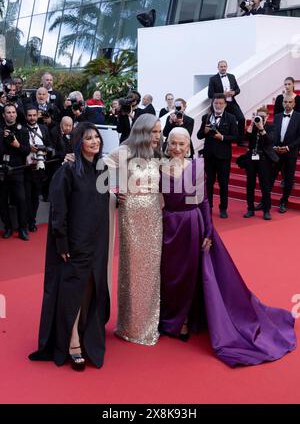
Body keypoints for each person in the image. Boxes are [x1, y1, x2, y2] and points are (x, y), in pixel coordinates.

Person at [159, 127, 296, 367]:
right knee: (171, 274)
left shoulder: (196, 167)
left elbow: (202, 201)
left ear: (189, 145)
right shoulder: (158, 168)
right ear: (167, 144)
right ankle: (171, 317)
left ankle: (185, 320)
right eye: (173, 143)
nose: (177, 149)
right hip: (169, 227)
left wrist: (209, 230)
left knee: (192, 273)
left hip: (192, 225)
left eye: (182, 144)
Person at [29, 123, 110, 370]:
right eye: (88, 138)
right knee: (73, 291)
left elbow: (101, 201)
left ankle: (86, 332)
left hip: (97, 241)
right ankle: (72, 339)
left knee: (89, 288)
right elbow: (59, 211)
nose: (95, 141)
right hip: (75, 242)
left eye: (97, 137)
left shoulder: (101, 167)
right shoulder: (66, 171)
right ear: (78, 142)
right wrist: (62, 242)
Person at [105, 114, 163, 345]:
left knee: (151, 269)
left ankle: (149, 324)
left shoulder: (157, 153)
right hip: (131, 214)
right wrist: (115, 189)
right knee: (132, 268)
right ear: (142, 131)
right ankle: (129, 326)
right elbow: (99, 168)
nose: (158, 136)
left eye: (159, 132)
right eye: (154, 132)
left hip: (154, 215)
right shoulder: (124, 151)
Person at [197, 94, 238, 218]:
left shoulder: (231, 118)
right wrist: (204, 131)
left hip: (224, 157)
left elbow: (236, 137)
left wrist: (223, 137)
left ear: (225, 104)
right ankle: (208, 206)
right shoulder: (206, 117)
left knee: (223, 183)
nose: (218, 105)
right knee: (208, 183)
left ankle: (223, 208)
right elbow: (199, 136)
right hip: (209, 155)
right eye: (216, 103)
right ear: (212, 104)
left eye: (221, 103)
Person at [0, 104, 30, 240]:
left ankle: (23, 229)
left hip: (17, 170)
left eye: (13, 112)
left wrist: (17, 144)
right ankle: (8, 228)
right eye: (8, 112)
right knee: (2, 201)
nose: (11, 114)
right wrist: (2, 138)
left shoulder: (23, 130)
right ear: (3, 115)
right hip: (2, 171)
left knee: (21, 200)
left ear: (16, 115)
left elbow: (26, 151)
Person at [242, 106, 278, 221]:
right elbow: (245, 139)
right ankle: (250, 209)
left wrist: (262, 128)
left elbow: (269, 142)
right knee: (250, 184)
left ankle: (266, 210)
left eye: (263, 116)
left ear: (267, 117)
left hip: (264, 159)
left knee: (265, 185)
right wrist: (252, 125)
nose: (260, 118)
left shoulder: (271, 127)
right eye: (259, 116)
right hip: (251, 158)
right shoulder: (253, 126)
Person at [24, 106, 52, 232]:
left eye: (34, 115)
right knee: (26, 197)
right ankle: (25, 222)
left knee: (35, 197)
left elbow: (50, 145)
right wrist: (29, 148)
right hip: (26, 168)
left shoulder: (44, 128)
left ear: (37, 116)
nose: (32, 118)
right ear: (26, 116)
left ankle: (32, 222)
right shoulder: (22, 129)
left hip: (40, 167)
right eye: (29, 115)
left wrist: (45, 150)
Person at [272, 95, 300, 213]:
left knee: (288, 179)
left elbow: (299, 137)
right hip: (277, 152)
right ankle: (264, 201)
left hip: (290, 153)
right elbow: (273, 134)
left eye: (290, 102)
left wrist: (288, 148)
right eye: (285, 102)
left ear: (294, 104)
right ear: (282, 103)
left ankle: (284, 201)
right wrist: (275, 146)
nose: (287, 104)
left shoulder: (299, 117)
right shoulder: (277, 116)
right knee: (270, 177)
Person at [208, 60, 245, 144]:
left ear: (227, 67)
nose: (223, 68)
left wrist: (234, 93)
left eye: (224, 66)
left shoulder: (232, 76)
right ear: (218, 68)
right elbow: (210, 94)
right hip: (220, 105)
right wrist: (223, 94)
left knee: (241, 119)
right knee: (220, 123)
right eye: (221, 67)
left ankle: (240, 140)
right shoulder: (213, 79)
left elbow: (238, 89)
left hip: (231, 103)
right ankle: (220, 141)